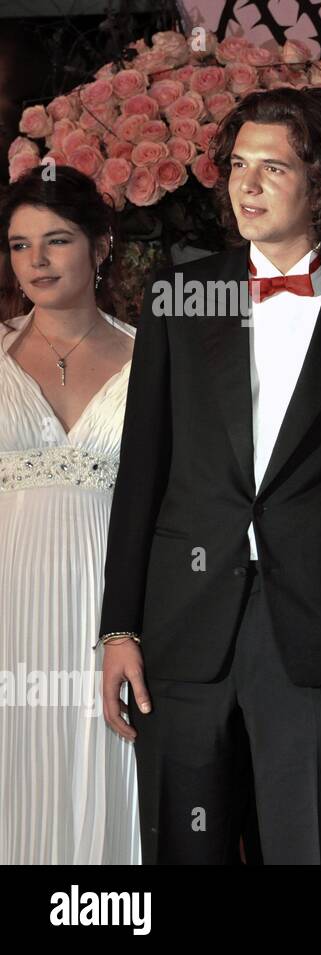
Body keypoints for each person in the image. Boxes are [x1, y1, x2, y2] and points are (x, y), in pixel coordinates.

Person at [97, 88, 321, 864]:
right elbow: (144, 468)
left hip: (316, 625)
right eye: (238, 165)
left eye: (273, 167)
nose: (247, 184)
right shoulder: (177, 293)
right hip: (183, 621)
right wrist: (119, 626)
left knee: (307, 844)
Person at [0, 167, 138, 864]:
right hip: (9, 607)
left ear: (102, 245)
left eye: (56, 240)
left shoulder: (155, 361)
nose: (37, 261)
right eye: (21, 245)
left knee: (108, 770)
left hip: (109, 609)